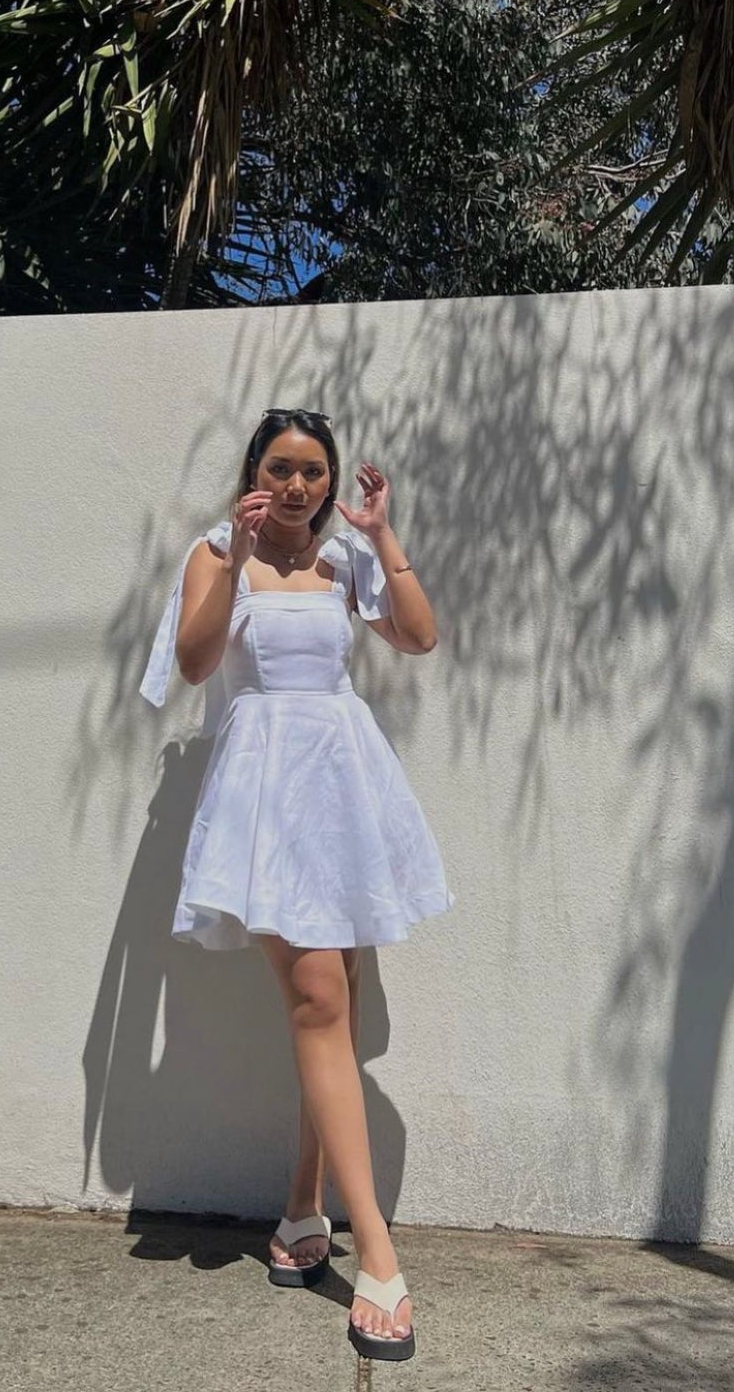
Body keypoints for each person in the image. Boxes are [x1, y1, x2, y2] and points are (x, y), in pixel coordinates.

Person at [139, 407, 454, 1363]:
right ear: (254, 472)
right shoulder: (215, 552)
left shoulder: (344, 559)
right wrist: (236, 558)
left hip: (344, 785)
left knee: (335, 1004)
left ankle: (302, 1211)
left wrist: (383, 536)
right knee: (319, 997)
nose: (299, 485)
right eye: (281, 466)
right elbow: (196, 662)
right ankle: (379, 1260)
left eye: (314, 470)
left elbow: (419, 636)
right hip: (267, 793)